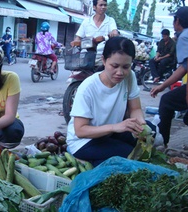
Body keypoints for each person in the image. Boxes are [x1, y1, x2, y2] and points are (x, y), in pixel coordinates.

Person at [66, 36, 151, 167]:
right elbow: (80, 130)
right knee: (129, 155)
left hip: (109, 133)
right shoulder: (88, 88)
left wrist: (141, 126)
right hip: (84, 141)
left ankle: (99, 160)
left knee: (147, 136)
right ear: (104, 61)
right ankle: (84, 160)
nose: (120, 72)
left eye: (126, 67)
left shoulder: (130, 77)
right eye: (115, 66)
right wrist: (115, 127)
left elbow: (135, 109)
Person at [150, 6, 188, 148]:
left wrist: (162, 86)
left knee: (167, 101)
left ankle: (162, 143)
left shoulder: (184, 36)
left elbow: (185, 67)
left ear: (177, 21)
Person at [70, 0, 118, 66]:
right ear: (94, 7)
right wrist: (76, 42)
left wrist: (114, 33)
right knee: (74, 75)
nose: (103, 7)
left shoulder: (110, 21)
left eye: (105, 5)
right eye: (101, 5)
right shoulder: (86, 22)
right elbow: (78, 37)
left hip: (103, 57)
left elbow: (114, 31)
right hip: (86, 55)